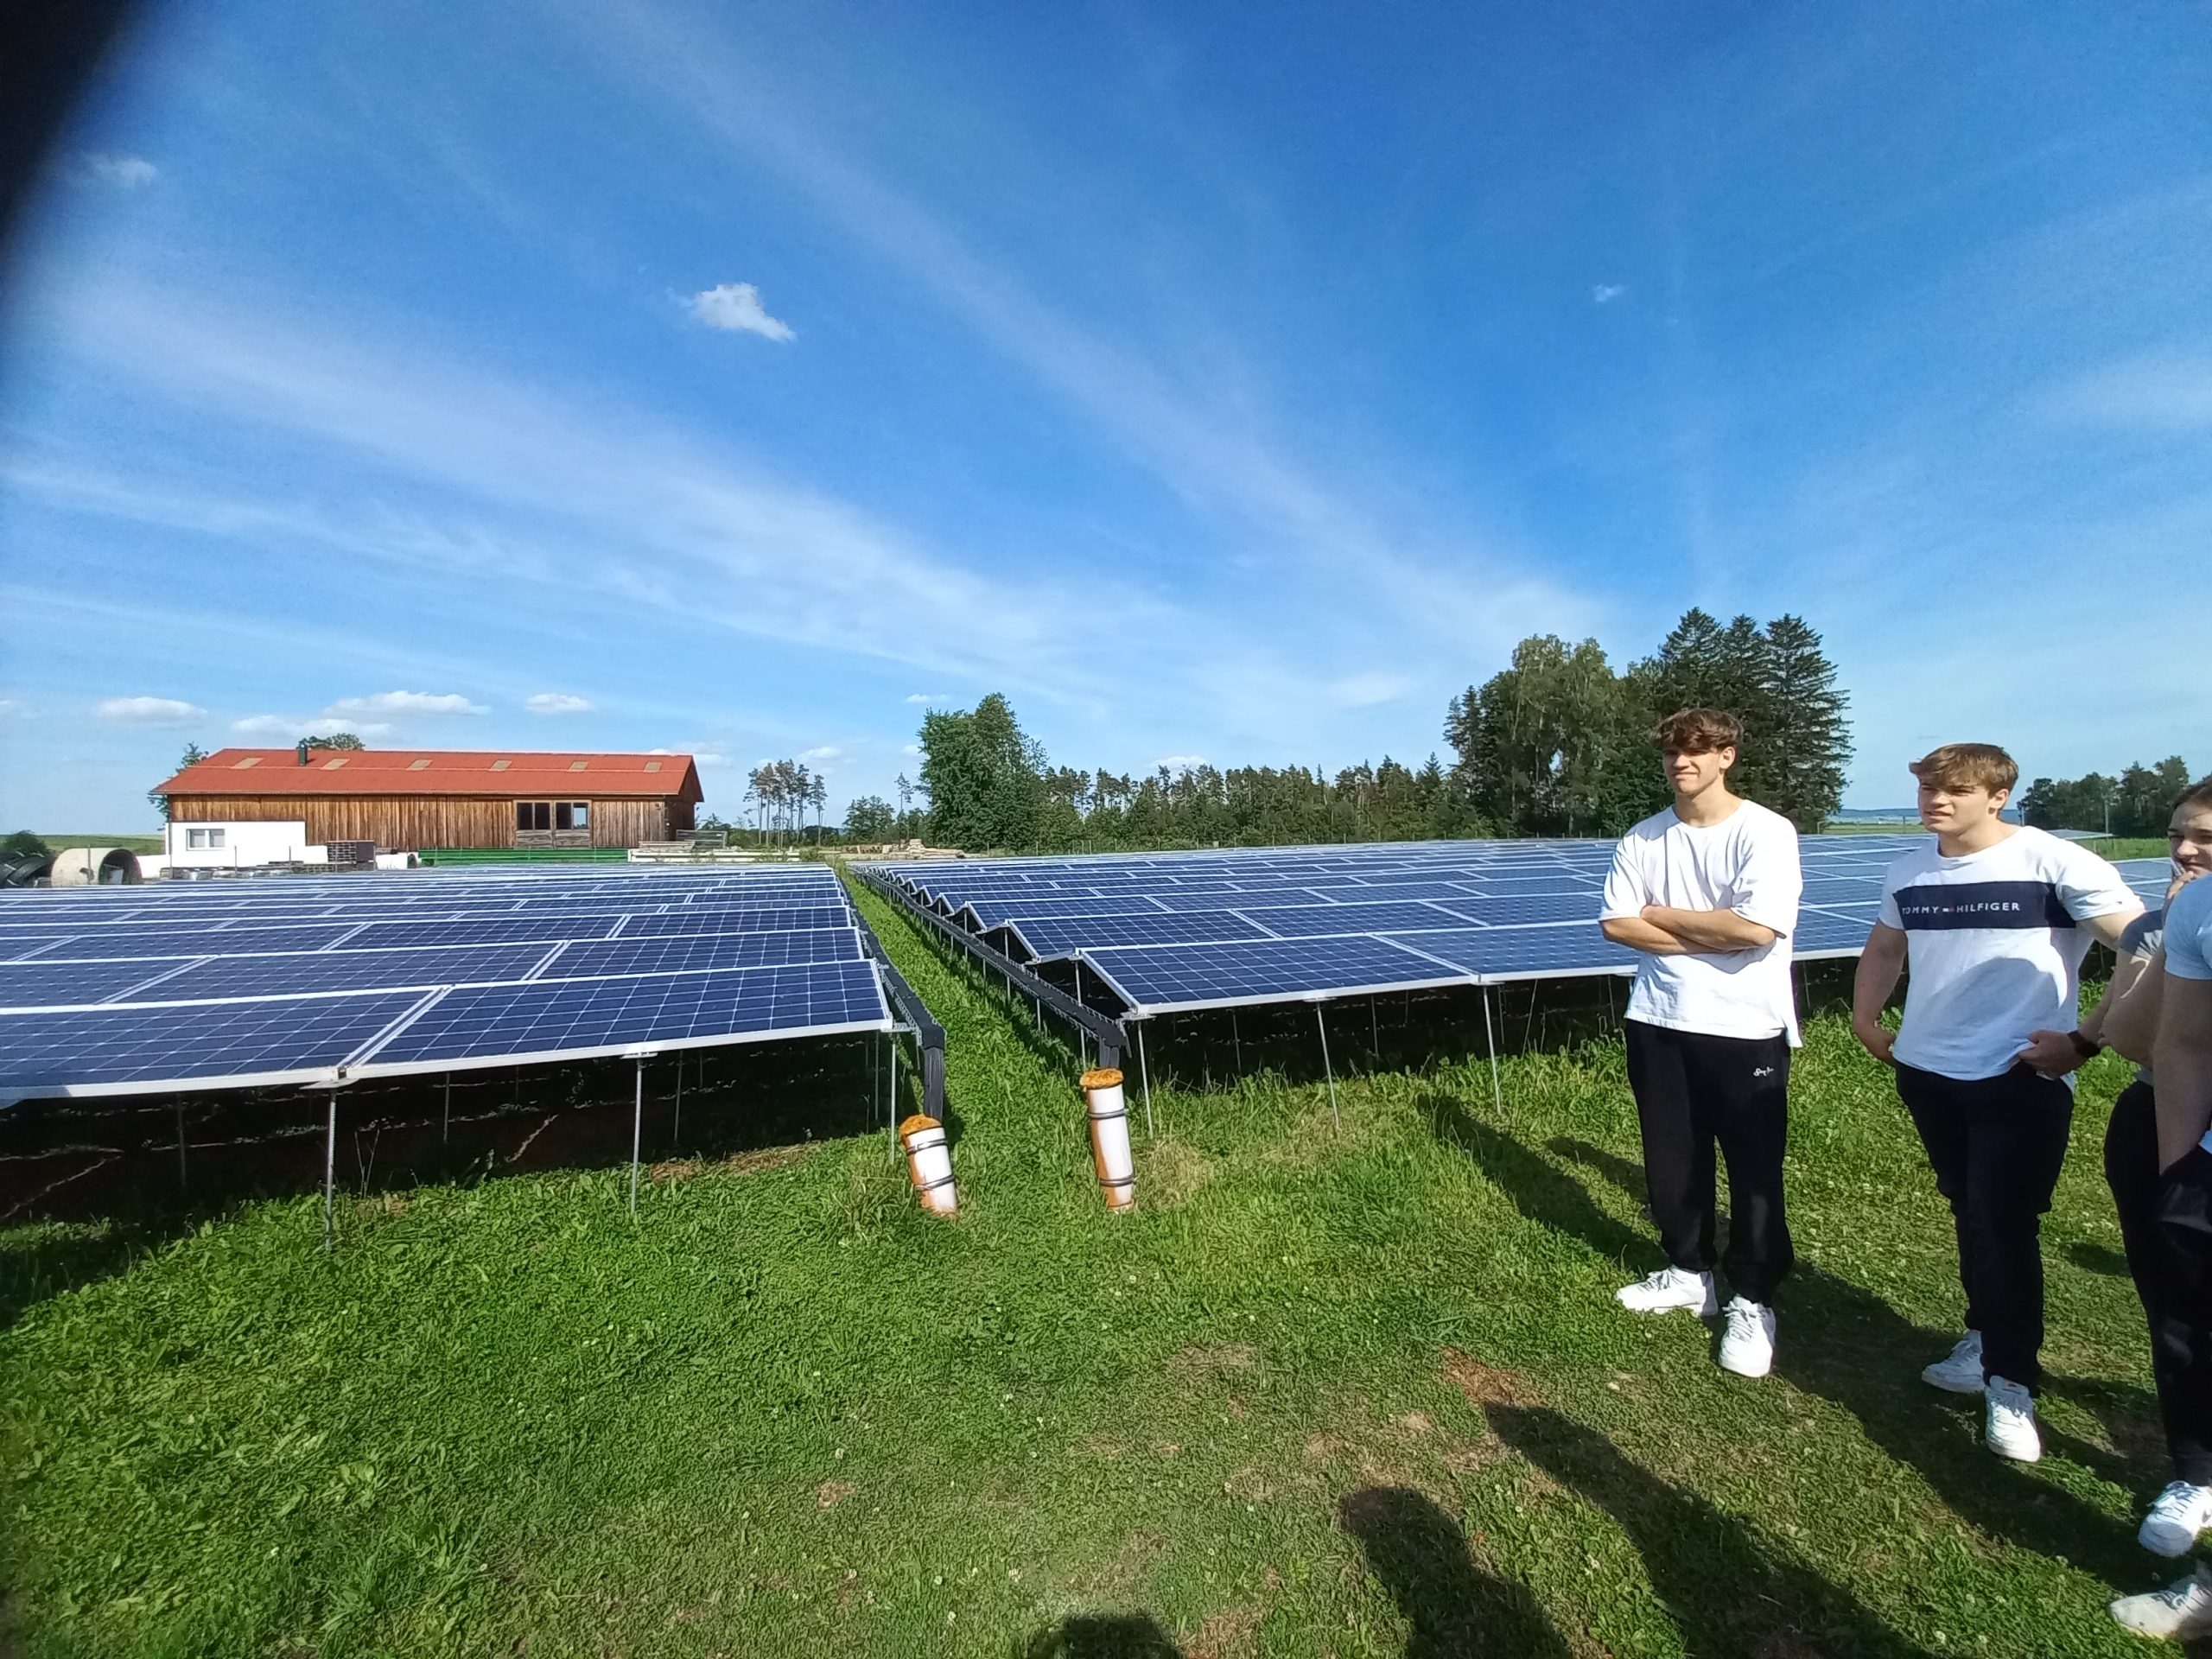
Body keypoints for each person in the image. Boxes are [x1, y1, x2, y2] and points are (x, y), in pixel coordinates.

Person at [1852, 743, 2142, 1463]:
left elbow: (2145, 949)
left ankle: (2011, 1382)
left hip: (2018, 1076)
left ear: (1997, 796)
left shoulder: (2055, 863)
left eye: (1954, 789)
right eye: (1927, 788)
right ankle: (1985, 1337)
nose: (1935, 800)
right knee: (1967, 1207)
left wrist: (2085, 1041)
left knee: (2003, 1222)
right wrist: (1865, 1019)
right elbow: (1885, 950)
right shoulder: (1909, 869)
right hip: (1927, 1071)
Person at [1599, 707, 1803, 1379]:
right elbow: (1617, 924)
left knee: (1753, 1169)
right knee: (1672, 1161)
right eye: (1672, 752)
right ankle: (1689, 1272)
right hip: (1659, 1019)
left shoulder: (1765, 832)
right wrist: (1710, 935)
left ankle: (1753, 1298)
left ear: (1726, 757)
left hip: (1744, 1026)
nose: (1681, 762)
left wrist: (1661, 914)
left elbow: (1755, 931)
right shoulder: (1643, 838)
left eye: (1696, 750)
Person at [2105, 782, 2212, 1639]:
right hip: (2174, 1127)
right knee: (2179, 1318)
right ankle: (2194, 1470)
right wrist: (2180, 1175)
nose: (2183, 850)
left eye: (2204, 836)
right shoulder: (2179, 917)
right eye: (2178, 833)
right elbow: (2144, 1039)